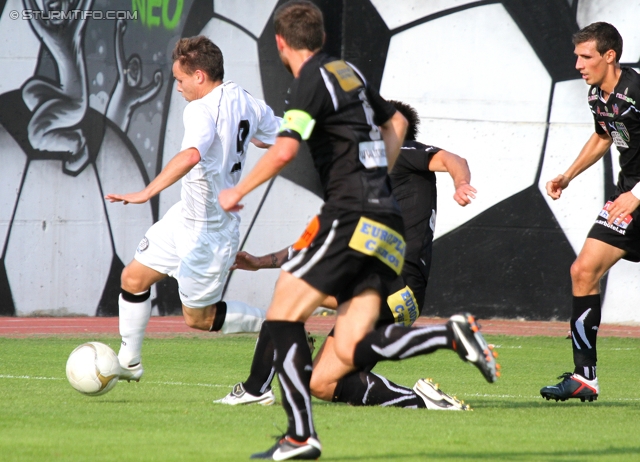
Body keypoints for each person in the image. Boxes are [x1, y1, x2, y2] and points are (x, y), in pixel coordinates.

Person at [217, 2, 498, 459]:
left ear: (281, 43)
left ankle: (300, 436)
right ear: (322, 38)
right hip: (382, 219)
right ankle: (450, 335)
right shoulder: (349, 73)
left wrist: (238, 190)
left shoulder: (307, 81)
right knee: (351, 341)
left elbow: (285, 151)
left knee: (283, 314)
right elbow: (397, 123)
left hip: (349, 215)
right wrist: (378, 179)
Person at [216, 100, 478, 411]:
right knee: (323, 383)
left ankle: (254, 388)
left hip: (392, 285)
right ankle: (424, 401)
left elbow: (453, 159)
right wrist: (262, 262)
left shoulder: (404, 154)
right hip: (399, 299)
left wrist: (462, 184)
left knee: (288, 300)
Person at [105, 36, 281, 382]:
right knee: (134, 278)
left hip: (210, 230)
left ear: (199, 76)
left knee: (198, 319)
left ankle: (280, 324)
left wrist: (146, 192)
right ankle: (129, 362)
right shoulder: (244, 99)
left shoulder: (200, 109)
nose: (179, 87)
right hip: (185, 217)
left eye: (180, 79)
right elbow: (274, 135)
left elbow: (190, 155)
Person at [541, 22, 640, 402]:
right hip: (627, 199)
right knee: (583, 271)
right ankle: (585, 377)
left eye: (586, 57)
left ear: (609, 56)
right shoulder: (599, 95)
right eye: (576, 57)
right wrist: (568, 175)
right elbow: (604, 134)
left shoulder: (637, 89)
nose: (579, 65)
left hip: (635, 196)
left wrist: (637, 193)